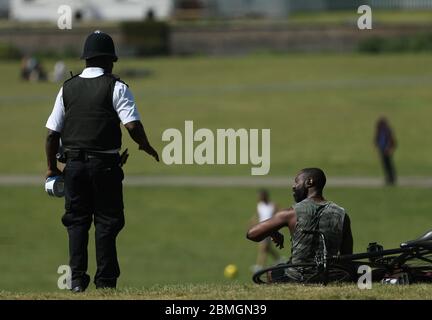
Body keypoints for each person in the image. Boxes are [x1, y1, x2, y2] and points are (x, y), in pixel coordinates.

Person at [45, 31, 159, 292]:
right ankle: (105, 284)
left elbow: (52, 134)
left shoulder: (67, 88)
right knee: (107, 223)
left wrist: (52, 168)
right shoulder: (117, 87)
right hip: (106, 167)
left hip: (72, 167)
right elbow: (131, 125)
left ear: (86, 59)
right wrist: (145, 145)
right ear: (109, 60)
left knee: (76, 223)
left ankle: (76, 282)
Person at [246, 168, 353, 281]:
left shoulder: (291, 213)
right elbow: (346, 257)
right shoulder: (342, 215)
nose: (293, 186)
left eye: (297, 182)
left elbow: (252, 234)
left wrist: (272, 231)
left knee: (272, 272)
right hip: (329, 276)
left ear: (309, 182)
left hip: (297, 277)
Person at [250, 189, 282, 272]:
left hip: (270, 228)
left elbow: (280, 214)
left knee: (263, 248)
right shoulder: (259, 205)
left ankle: (260, 266)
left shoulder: (272, 205)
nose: (259, 198)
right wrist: (252, 223)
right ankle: (279, 259)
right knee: (267, 248)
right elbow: (257, 215)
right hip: (262, 228)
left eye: (260, 196)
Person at [375, 117, 397, 185]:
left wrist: (390, 148)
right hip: (382, 150)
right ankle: (388, 178)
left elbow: (392, 140)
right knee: (385, 165)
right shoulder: (379, 130)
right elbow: (377, 139)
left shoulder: (387, 130)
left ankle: (392, 178)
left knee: (389, 164)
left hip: (387, 150)